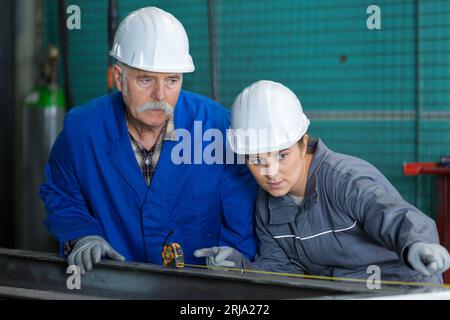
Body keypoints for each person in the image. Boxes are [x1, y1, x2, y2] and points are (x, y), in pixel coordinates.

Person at [39, 7, 258, 274]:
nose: (160, 95)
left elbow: (242, 207)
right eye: (146, 80)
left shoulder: (217, 128)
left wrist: (240, 261)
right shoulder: (82, 132)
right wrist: (81, 234)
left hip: (199, 292)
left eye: (172, 80)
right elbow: (62, 194)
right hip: (113, 287)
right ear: (120, 79)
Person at [195, 80, 450, 284]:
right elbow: (281, 270)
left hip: (403, 287)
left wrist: (416, 245)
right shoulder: (266, 205)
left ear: (303, 143)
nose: (270, 172)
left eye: (281, 155)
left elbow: (391, 214)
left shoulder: (345, 180)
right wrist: (241, 268)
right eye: (257, 160)